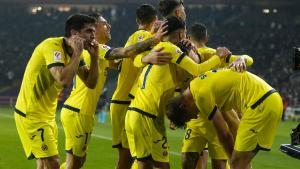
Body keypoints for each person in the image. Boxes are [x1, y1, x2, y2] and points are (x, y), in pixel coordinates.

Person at [60, 12, 171, 169]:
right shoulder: (97, 48)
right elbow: (125, 53)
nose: (109, 26)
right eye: (104, 24)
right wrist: (155, 38)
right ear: (94, 28)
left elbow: (121, 64)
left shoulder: (96, 53)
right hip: (79, 111)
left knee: (78, 160)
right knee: (75, 163)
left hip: (79, 111)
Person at [125, 16, 230, 169]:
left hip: (154, 116)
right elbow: (197, 69)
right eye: (184, 33)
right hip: (143, 113)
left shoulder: (161, 49)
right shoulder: (169, 48)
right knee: (144, 164)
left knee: (163, 165)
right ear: (181, 34)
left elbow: (136, 60)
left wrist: (146, 58)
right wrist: (218, 56)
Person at [14, 14, 100, 169]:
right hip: (31, 114)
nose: (93, 35)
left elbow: (91, 83)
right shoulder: (52, 46)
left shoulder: (73, 53)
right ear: (74, 33)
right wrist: (78, 54)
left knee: (43, 164)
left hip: (47, 114)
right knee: (53, 162)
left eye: (93, 31)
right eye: (88, 31)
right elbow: (63, 79)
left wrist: (94, 59)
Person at [166, 69, 283, 169]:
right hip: (268, 100)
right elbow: (231, 124)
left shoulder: (200, 96)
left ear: (183, 105)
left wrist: (232, 160)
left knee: (237, 164)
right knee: (241, 164)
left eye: (188, 117)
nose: (195, 116)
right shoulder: (199, 83)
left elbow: (224, 134)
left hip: (259, 105)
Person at [181, 23, 252, 169]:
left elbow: (181, 85)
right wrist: (241, 58)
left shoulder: (184, 58)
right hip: (218, 118)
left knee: (188, 161)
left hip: (197, 118)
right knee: (219, 164)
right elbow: (247, 60)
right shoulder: (219, 55)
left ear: (188, 38)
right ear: (206, 38)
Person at [109, 4, 170, 169]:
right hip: (125, 102)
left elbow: (117, 62)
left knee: (138, 157)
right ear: (155, 19)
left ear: (137, 20)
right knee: (127, 158)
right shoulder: (141, 35)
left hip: (127, 102)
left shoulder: (134, 37)